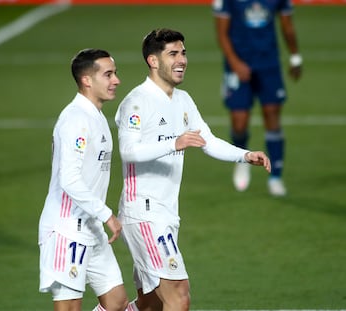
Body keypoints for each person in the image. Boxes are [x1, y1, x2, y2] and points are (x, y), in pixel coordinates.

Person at [115, 28, 271, 311]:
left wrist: (245, 155)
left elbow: (207, 140)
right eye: (173, 54)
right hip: (144, 213)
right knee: (179, 295)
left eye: (183, 53)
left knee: (150, 305)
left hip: (166, 213)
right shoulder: (136, 102)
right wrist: (174, 143)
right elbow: (128, 150)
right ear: (153, 61)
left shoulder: (183, 100)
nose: (182, 60)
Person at [38, 48, 130, 311]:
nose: (116, 80)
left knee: (116, 302)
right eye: (109, 74)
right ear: (87, 80)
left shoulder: (95, 116)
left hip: (90, 226)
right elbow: (69, 179)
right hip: (67, 228)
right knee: (69, 306)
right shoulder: (76, 119)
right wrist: (106, 214)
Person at [212, 0, 302, 196]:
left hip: (269, 65)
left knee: (272, 117)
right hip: (238, 65)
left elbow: (287, 24)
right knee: (239, 123)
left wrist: (295, 56)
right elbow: (221, 33)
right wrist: (235, 63)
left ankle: (276, 176)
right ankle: (242, 157)